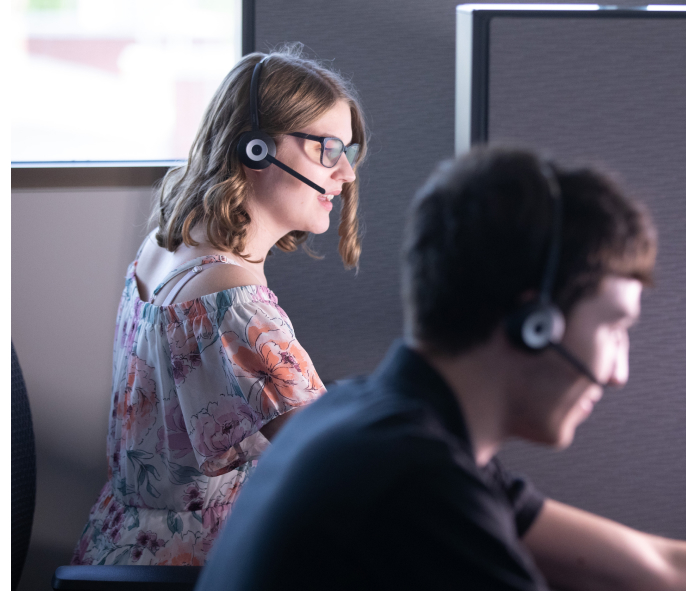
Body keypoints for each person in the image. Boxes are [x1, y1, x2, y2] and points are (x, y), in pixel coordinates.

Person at [196, 146, 686, 590]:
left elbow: (659, 568)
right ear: (533, 324)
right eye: (614, 328)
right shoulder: (417, 485)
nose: (619, 372)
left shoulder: (363, 415)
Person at [70, 45, 367, 566]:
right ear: (256, 150)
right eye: (327, 149)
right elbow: (333, 456)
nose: (345, 173)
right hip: (196, 564)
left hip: (121, 543)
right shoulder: (231, 298)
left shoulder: (164, 246)